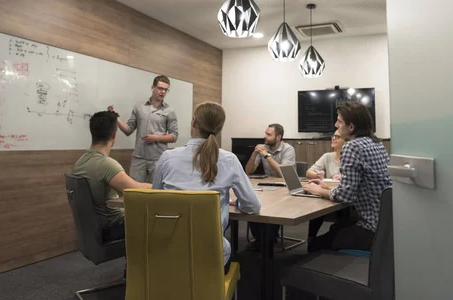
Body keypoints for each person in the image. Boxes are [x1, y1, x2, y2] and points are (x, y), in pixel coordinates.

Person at [152, 102, 261, 269]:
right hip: (211, 257)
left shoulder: (167, 157)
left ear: (193, 122)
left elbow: (155, 201)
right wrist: (237, 204)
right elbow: (252, 206)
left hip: (168, 252)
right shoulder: (229, 160)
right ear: (219, 129)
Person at [303, 102, 392, 252]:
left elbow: (346, 196)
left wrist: (317, 190)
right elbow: (361, 182)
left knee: (316, 244)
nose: (335, 124)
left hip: (371, 229)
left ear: (351, 127)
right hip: (386, 225)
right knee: (337, 227)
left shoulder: (352, 146)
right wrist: (327, 185)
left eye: (339, 121)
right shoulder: (377, 143)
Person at [72, 110, 151, 242]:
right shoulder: (106, 164)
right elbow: (136, 191)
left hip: (95, 228)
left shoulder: (80, 162)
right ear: (114, 135)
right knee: (157, 220)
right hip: (112, 227)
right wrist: (161, 185)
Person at [108, 75, 178, 183]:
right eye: (160, 88)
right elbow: (128, 130)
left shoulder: (169, 111)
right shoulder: (139, 107)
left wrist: (156, 138)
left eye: (165, 90)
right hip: (139, 158)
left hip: (158, 159)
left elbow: (174, 136)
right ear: (152, 88)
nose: (163, 92)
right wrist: (115, 117)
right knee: (134, 193)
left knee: (159, 192)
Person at [244, 123, 296, 251]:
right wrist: (254, 154)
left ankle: (271, 240)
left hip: (284, 187)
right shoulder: (264, 148)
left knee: (273, 205)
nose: (265, 137)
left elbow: (283, 173)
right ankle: (259, 238)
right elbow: (248, 171)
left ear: (278, 137)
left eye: (268, 134)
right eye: (265, 133)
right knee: (253, 201)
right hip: (268, 186)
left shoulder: (288, 149)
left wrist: (267, 155)